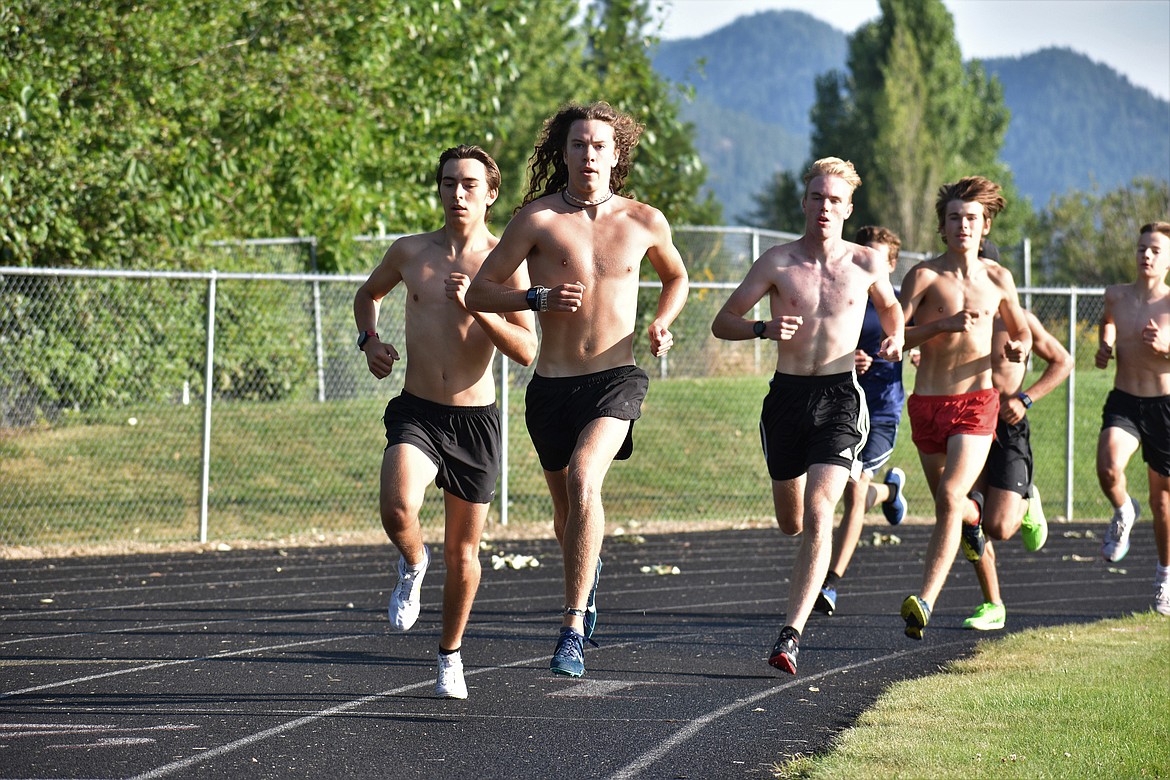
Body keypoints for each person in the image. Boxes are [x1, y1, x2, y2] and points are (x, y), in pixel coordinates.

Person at [465, 102, 689, 677]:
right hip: (551, 388)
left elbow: (676, 276)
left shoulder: (644, 220)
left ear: (616, 155)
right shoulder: (537, 220)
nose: (589, 155)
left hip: (617, 379)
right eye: (578, 145)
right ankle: (586, 585)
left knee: (585, 476)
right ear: (563, 153)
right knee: (566, 514)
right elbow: (479, 293)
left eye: (599, 146)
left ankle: (570, 629)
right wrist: (533, 300)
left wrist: (662, 321)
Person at [353, 145, 538, 699]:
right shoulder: (411, 251)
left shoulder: (504, 263)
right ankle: (413, 563)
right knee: (396, 508)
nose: (457, 193)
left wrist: (480, 305)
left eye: (469, 184)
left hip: (474, 422)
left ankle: (450, 654)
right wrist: (370, 342)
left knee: (465, 555)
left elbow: (527, 349)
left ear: (490, 193)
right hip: (417, 411)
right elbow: (368, 294)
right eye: (448, 183)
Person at [711, 157, 903, 674]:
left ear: (847, 209)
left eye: (834, 200)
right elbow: (722, 322)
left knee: (821, 510)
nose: (824, 207)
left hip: (842, 397)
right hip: (786, 400)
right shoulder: (776, 262)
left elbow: (890, 308)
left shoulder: (866, 262)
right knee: (792, 522)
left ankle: (791, 634)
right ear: (805, 203)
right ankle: (874, 501)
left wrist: (896, 336)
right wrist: (761, 330)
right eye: (817, 197)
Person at [898, 175, 1031, 640]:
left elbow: (1021, 331)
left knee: (951, 498)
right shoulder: (924, 276)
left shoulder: (998, 278)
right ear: (943, 225)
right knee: (954, 509)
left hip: (976, 405)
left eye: (971, 218)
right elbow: (894, 336)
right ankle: (993, 597)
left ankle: (925, 600)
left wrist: (1017, 351)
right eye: (954, 218)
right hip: (927, 405)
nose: (963, 226)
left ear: (985, 224)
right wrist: (943, 326)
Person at [814, 225, 909, 618]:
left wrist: (901, 351)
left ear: (891, 264)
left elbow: (909, 337)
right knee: (834, 490)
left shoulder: (899, 302)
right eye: (863, 251)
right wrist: (845, 359)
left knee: (853, 489)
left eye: (879, 256)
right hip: (839, 405)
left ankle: (831, 582)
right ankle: (890, 493)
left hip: (882, 408)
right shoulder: (841, 290)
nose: (868, 260)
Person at [962, 309, 1072, 630]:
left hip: (1008, 427)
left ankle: (1027, 498)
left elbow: (1063, 361)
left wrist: (1025, 398)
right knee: (968, 514)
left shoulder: (1019, 320)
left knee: (999, 527)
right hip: (968, 424)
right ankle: (992, 603)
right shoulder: (959, 314)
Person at [1094, 221, 1170, 616]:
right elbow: (1109, 323)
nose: (1147, 255)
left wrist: (1166, 348)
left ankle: (1164, 576)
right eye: (1142, 248)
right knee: (1108, 469)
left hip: (1165, 407)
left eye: (1156, 249)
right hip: (1125, 400)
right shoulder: (1116, 295)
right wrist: (1105, 344)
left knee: (1163, 502)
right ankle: (1124, 510)